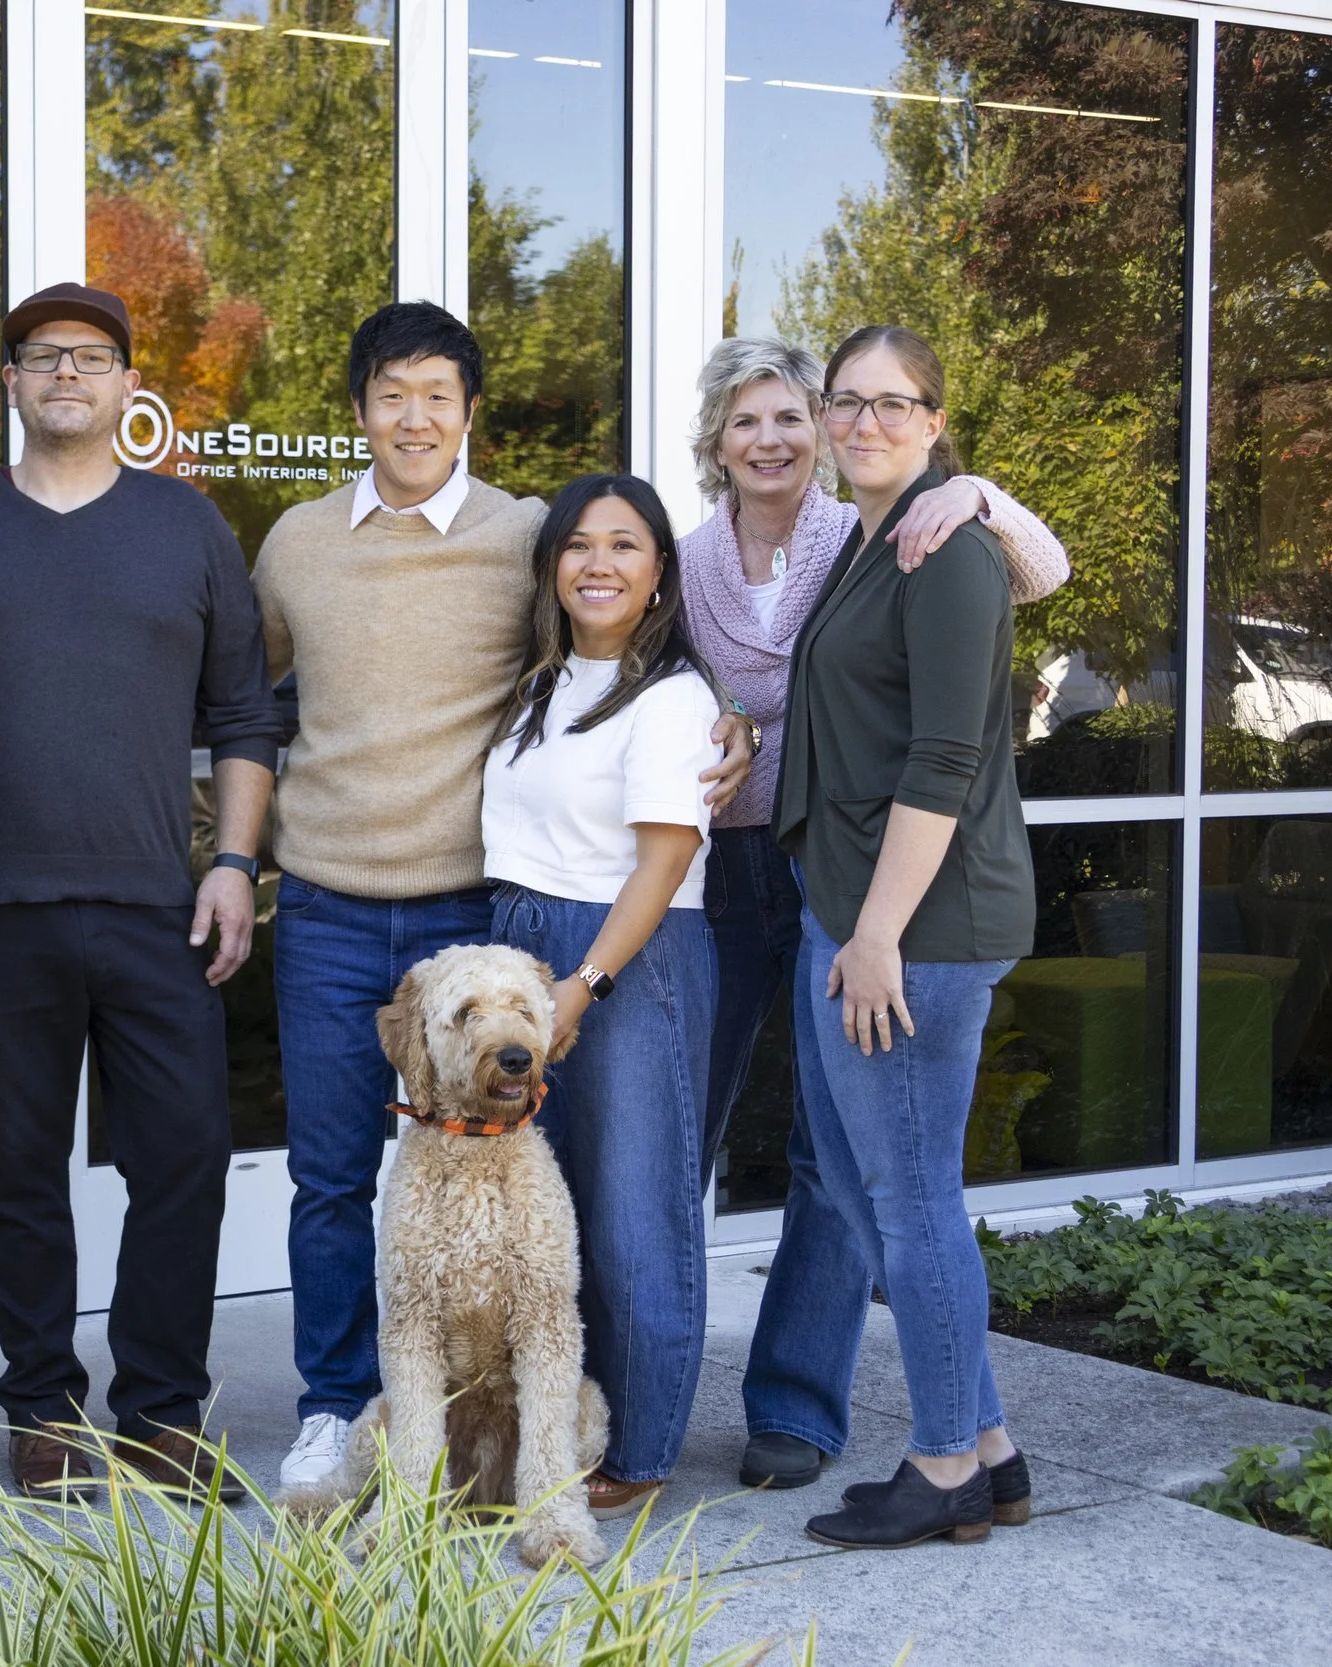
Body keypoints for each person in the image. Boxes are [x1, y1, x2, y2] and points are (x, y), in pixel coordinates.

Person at [255, 302, 751, 1507]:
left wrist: (730, 715)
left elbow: (641, 608)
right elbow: (246, 694)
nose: (413, 416)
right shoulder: (296, 545)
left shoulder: (523, 531)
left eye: (437, 394)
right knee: (334, 1178)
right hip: (329, 906)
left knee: (556, 1195)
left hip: (471, 924)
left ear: (470, 411)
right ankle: (341, 1410)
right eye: (390, 393)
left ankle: (578, 1433)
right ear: (358, 410)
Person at [0, 282, 279, 1500]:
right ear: (10, 381)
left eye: (93, 356)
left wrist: (232, 862)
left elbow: (243, 714)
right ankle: (42, 1407)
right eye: (43, 354)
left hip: (158, 905)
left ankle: (161, 1411)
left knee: (183, 1160)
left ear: (127, 387)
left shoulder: (187, 527)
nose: (67, 372)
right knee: (16, 1169)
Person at [684, 337, 1068, 1216]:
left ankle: (821, 1320)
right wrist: (730, 717)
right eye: (745, 421)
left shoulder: (877, 527)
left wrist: (975, 492)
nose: (769, 439)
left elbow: (1041, 571)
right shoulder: (688, 560)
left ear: (817, 430)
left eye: (788, 417)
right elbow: (678, 688)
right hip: (735, 855)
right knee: (701, 1110)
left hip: (850, 855)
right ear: (717, 441)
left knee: (836, 1156)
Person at [762, 325, 1035, 1549]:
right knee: (870, 1189)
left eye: (892, 403)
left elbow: (943, 759)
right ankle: (990, 1449)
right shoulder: (868, 537)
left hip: (916, 926)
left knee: (913, 1198)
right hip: (847, 910)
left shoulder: (949, 550)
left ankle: (941, 1467)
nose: (863, 422)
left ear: (933, 419)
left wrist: (875, 935)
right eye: (846, 401)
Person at [482, 473, 724, 1520]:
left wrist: (581, 985)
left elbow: (664, 861)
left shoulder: (671, 696)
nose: (598, 563)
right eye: (578, 544)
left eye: (624, 545)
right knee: (549, 1211)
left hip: (625, 951)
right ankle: (554, 1426)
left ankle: (641, 1439)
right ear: (550, 566)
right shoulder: (540, 682)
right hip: (522, 935)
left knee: (633, 1209)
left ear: (659, 570)